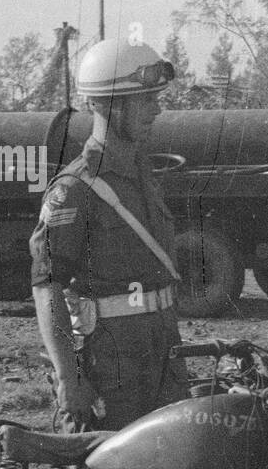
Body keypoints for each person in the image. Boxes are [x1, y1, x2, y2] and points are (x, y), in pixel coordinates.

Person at [30, 38, 186, 431]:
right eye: (145, 99)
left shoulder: (144, 177)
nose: (157, 108)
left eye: (156, 97)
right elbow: (47, 287)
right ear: (106, 104)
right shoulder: (74, 189)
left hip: (164, 354)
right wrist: (68, 376)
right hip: (112, 363)